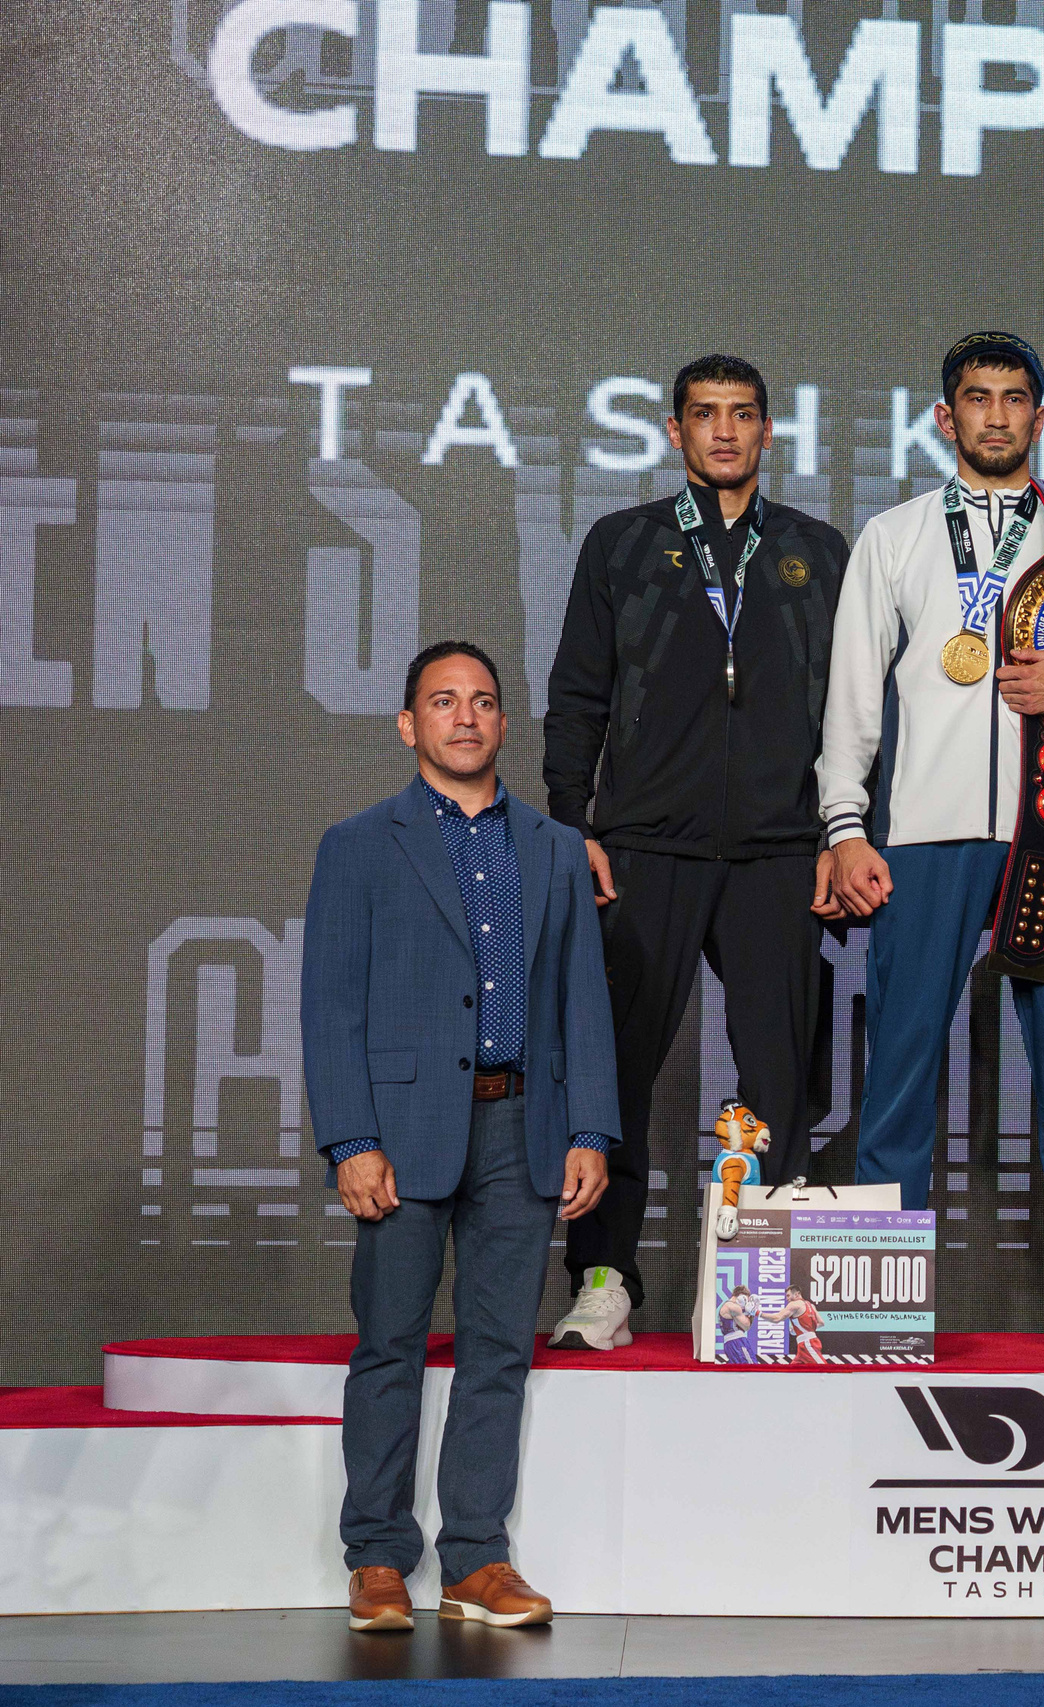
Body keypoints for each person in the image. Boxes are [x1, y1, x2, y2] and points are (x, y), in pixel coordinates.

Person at [814, 332, 1044, 1355]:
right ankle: (878, 1304)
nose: (997, 415)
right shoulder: (895, 536)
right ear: (946, 416)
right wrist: (845, 827)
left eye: (1015, 399)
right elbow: (850, 702)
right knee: (899, 1071)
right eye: (978, 398)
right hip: (923, 840)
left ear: (1039, 417)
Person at [302, 641, 619, 1633]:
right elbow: (329, 1008)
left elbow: (582, 1000)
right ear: (410, 724)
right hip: (401, 1132)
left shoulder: (555, 848)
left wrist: (590, 1127)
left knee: (498, 1351)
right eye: (443, 701)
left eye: (482, 700)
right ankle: (377, 1556)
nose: (466, 716)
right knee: (389, 1345)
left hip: (524, 1124)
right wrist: (350, 1140)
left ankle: (477, 1557)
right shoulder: (359, 844)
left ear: (502, 723)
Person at [541, 354, 850, 1350]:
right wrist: (574, 827)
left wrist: (842, 832)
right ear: (674, 432)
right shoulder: (623, 545)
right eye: (705, 415)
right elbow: (578, 695)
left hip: (777, 850)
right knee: (616, 1072)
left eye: (742, 414)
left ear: (768, 430)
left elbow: (853, 712)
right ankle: (604, 1279)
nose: (724, 431)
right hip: (645, 844)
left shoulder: (817, 551)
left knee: (781, 1077)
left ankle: (765, 1292)